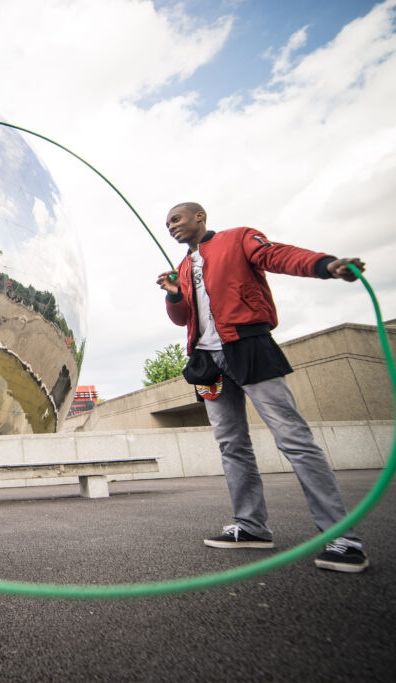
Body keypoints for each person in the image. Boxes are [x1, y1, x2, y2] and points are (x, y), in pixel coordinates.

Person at [156, 202, 368, 573]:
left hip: (249, 346)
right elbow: (182, 318)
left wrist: (326, 265)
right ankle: (251, 526)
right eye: (167, 223)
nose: (171, 226)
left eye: (177, 219)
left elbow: (277, 256)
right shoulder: (184, 267)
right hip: (207, 364)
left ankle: (343, 539)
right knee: (231, 445)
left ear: (199, 217)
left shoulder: (238, 239)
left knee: (294, 439)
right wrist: (174, 293)